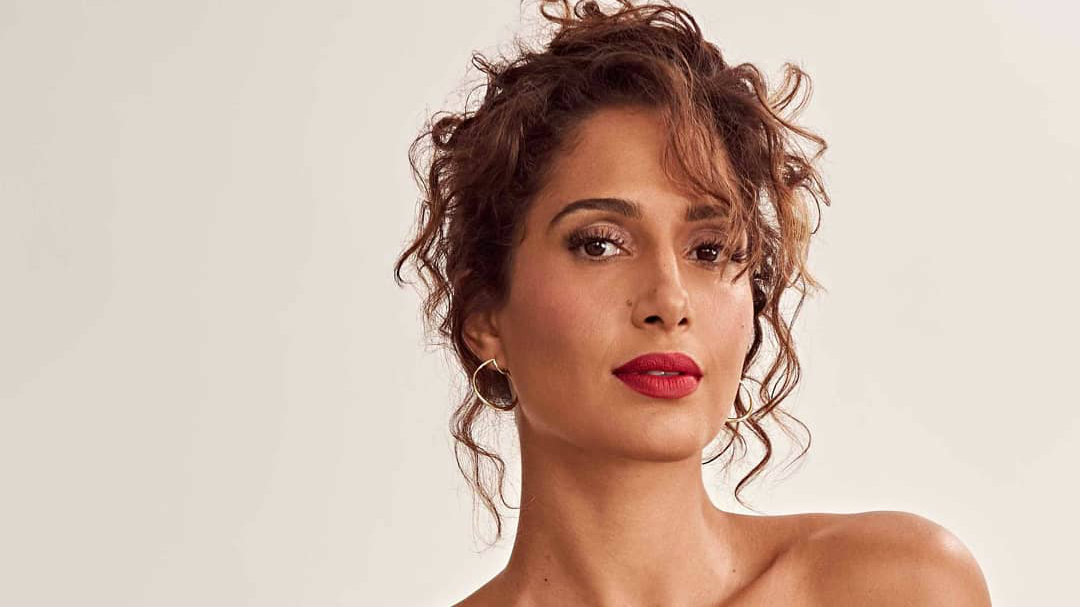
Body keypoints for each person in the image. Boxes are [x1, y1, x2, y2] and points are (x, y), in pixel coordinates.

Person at [394, 1, 991, 605]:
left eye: (709, 250)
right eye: (600, 244)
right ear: (485, 317)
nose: (670, 301)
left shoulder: (898, 586)